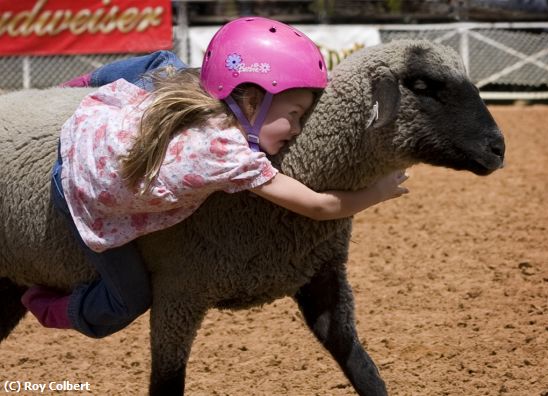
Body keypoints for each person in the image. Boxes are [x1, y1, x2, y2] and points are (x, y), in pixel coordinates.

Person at [21, 17, 409, 338]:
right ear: (253, 98)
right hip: (80, 191)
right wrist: (378, 190)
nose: (296, 128)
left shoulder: (193, 89)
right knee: (128, 300)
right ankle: (47, 305)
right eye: (293, 115)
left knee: (163, 61)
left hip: (83, 129)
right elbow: (320, 206)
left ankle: (78, 87)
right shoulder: (228, 156)